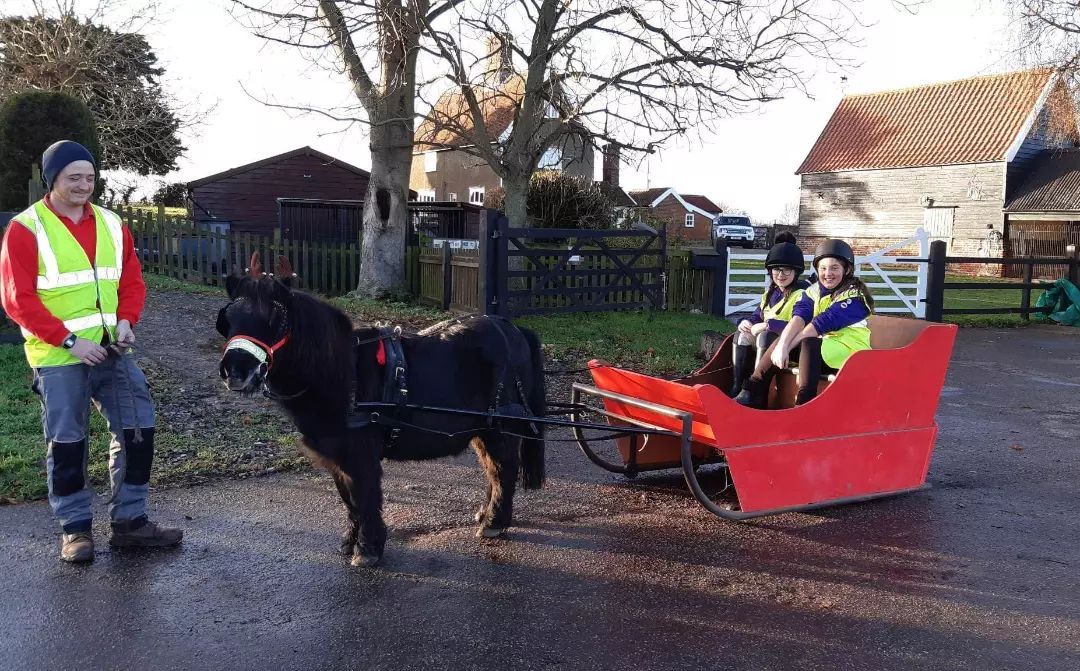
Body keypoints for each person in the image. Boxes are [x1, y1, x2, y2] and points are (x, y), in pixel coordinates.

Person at [0, 140, 182, 563]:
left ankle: (130, 523)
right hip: (59, 355)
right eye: (73, 178)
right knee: (68, 443)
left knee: (138, 429)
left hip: (112, 350)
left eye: (90, 177)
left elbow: (131, 282)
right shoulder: (28, 229)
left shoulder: (112, 223)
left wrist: (126, 321)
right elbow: (17, 299)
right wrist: (69, 342)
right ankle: (76, 531)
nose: (84, 185)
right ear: (53, 181)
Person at [763, 238, 875, 406]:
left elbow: (820, 325)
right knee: (773, 337)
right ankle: (755, 390)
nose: (828, 273)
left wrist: (785, 347)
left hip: (851, 354)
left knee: (808, 343)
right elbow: (798, 317)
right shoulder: (813, 290)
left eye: (834, 268)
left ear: (847, 269)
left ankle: (803, 404)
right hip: (825, 350)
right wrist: (782, 345)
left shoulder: (855, 296)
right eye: (823, 268)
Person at [730, 232, 808, 401]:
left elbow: (800, 322)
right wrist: (747, 322)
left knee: (765, 337)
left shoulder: (801, 294)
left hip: (789, 345)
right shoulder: (770, 293)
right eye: (776, 269)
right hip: (767, 342)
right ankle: (738, 386)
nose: (781, 274)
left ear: (795, 272)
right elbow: (758, 314)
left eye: (787, 269)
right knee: (741, 335)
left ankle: (758, 394)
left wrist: (768, 325)